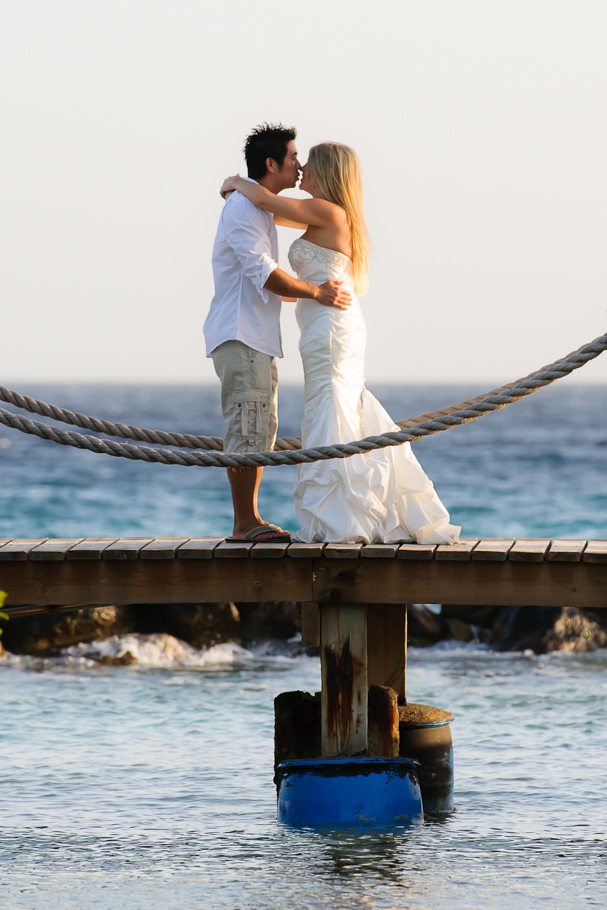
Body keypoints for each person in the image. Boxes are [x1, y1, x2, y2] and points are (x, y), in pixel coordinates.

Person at [220, 142, 460, 544]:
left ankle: (342, 519)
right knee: (334, 401)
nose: (301, 170)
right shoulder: (321, 215)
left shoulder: (327, 212)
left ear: (326, 172)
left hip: (331, 324)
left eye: (307, 163)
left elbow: (264, 199)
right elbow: (268, 214)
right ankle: (349, 510)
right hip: (324, 320)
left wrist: (234, 182)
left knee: (333, 401)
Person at [204, 125, 352, 542]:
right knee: (249, 426)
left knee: (259, 427)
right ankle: (244, 523)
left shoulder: (259, 207)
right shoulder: (244, 209)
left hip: (256, 336)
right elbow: (264, 274)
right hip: (241, 333)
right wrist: (316, 292)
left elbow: (267, 277)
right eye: (292, 156)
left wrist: (310, 294)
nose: (299, 164)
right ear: (272, 163)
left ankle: (249, 520)